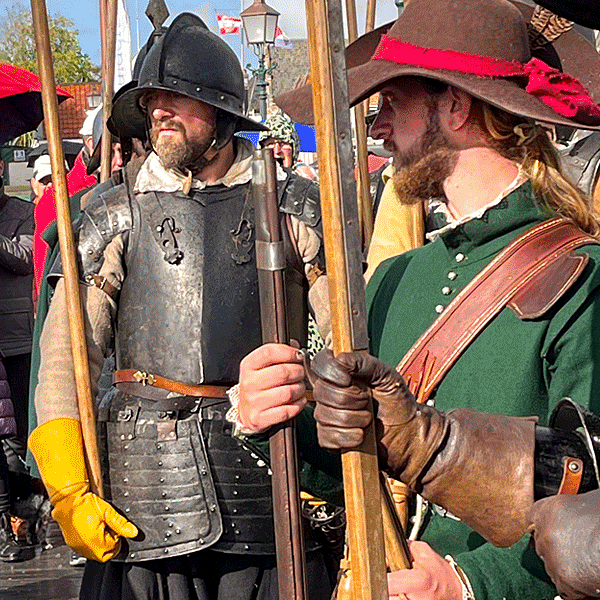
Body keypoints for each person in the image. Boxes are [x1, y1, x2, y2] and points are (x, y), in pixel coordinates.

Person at [236, 0, 600, 599]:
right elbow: (349, 475)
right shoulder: (393, 278)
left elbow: (590, 499)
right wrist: (274, 413)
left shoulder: (583, 276)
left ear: (456, 106)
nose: (377, 127)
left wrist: (467, 582)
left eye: (393, 104)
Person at [29, 13, 334, 600]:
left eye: (177, 98)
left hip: (268, 475)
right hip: (141, 489)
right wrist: (68, 485)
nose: (159, 111)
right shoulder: (110, 213)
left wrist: (326, 433)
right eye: (151, 101)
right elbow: (68, 354)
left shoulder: (292, 204)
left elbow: (347, 333)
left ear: (220, 111)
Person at [258, 113, 318, 181]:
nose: (277, 151)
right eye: (270, 144)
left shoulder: (305, 179)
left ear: (294, 149)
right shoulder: (253, 180)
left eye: (283, 143)